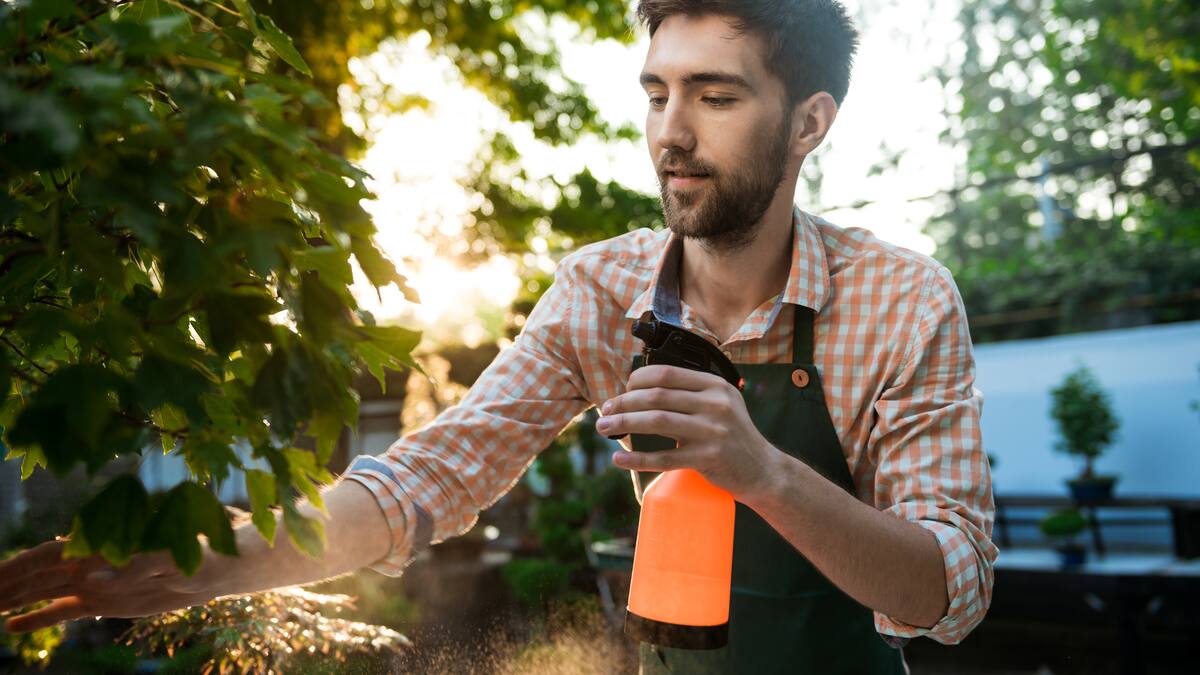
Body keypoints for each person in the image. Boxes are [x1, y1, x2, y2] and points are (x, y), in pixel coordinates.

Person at [0, 1, 996, 672]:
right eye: (659, 92)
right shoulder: (602, 289)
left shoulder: (902, 300)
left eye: (717, 97)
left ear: (810, 123)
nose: (671, 134)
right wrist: (191, 562)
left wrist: (764, 472)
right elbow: (426, 479)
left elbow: (948, 589)